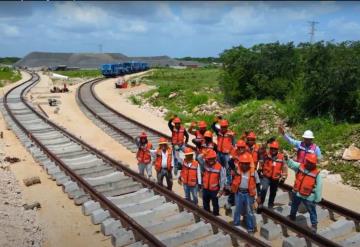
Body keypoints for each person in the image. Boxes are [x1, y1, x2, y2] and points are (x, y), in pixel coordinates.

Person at [284, 153, 322, 233]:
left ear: (314, 164)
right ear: (306, 161)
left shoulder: (317, 173)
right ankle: (292, 217)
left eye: (311, 163)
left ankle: (314, 225)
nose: (309, 164)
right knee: (294, 205)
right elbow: (292, 164)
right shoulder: (301, 166)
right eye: (308, 162)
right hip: (297, 192)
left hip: (308, 196)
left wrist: (317, 198)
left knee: (311, 210)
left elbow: (319, 187)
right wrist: (287, 159)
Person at [231, 152, 261, 233]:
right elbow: (230, 162)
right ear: (240, 163)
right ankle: (236, 224)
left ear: (249, 164)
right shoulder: (237, 170)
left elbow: (258, 184)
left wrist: (259, 196)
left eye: (246, 164)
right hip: (238, 193)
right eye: (243, 163)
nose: (244, 165)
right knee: (237, 209)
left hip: (249, 194)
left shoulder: (253, 172)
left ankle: (250, 228)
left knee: (249, 211)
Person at [259, 141, 288, 208]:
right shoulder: (266, 155)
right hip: (266, 176)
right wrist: (260, 169)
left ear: (277, 149)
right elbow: (261, 159)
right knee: (264, 189)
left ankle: (270, 204)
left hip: (275, 178)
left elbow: (284, 168)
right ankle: (261, 203)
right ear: (270, 148)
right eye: (272, 148)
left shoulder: (281, 157)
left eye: (275, 149)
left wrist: (283, 177)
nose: (273, 150)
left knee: (273, 192)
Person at [211, 117, 235, 188]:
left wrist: (232, 154)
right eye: (222, 127)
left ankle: (228, 183)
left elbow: (234, 144)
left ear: (227, 127)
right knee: (219, 168)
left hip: (227, 154)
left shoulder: (230, 134)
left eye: (225, 127)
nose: (223, 128)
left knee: (227, 169)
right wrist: (214, 122)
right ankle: (219, 181)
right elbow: (213, 127)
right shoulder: (219, 132)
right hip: (219, 153)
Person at [202, 149, 226, 216]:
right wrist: (205, 153)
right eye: (209, 159)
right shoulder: (205, 164)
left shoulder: (219, 167)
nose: (211, 160)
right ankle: (206, 215)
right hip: (205, 188)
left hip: (214, 190)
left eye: (212, 158)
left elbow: (222, 179)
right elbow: (199, 158)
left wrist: (221, 190)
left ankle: (216, 215)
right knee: (205, 203)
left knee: (215, 203)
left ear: (215, 158)